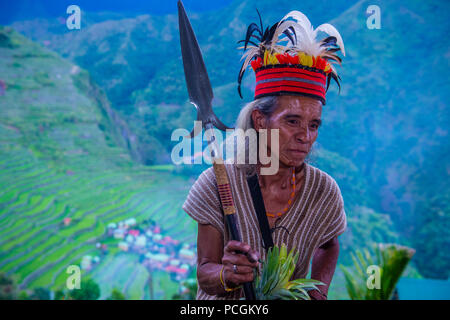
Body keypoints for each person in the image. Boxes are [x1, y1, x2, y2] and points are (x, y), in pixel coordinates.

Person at [182, 10, 347, 300]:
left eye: (313, 125)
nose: (305, 136)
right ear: (260, 121)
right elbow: (204, 271)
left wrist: (318, 291)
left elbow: (329, 244)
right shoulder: (216, 184)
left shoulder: (324, 192)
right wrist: (226, 275)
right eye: (292, 121)